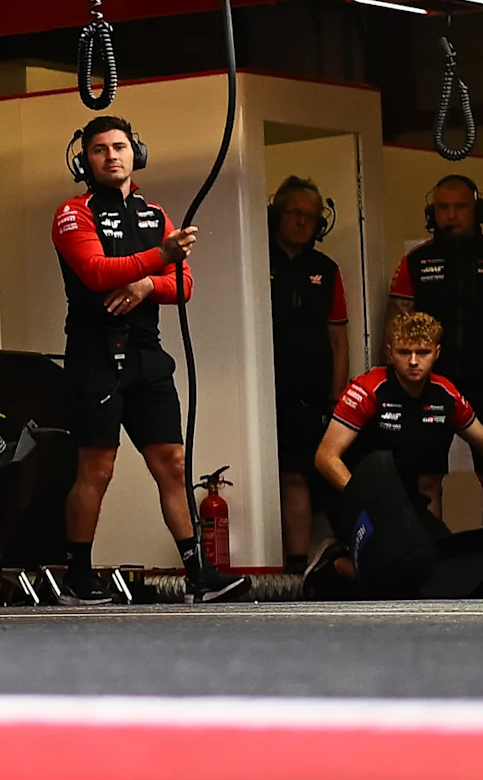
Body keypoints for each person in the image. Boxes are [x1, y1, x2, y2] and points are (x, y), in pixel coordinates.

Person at [50, 115, 246, 602]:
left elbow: (186, 285)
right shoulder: (72, 213)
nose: (111, 156)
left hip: (146, 353)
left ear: (136, 152)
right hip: (95, 355)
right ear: (84, 160)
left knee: (174, 464)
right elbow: (96, 273)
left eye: (119, 147)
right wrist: (160, 258)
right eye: (99, 149)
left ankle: (198, 575)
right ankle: (78, 573)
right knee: (98, 467)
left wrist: (144, 285)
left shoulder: (155, 214)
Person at [309, 310, 483, 597]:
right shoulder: (368, 388)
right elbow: (326, 457)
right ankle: (333, 564)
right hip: (352, 495)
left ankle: (354, 561)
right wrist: (371, 505)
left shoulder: (445, 393)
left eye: (423, 352)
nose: (414, 361)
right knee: (393, 569)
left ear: (437, 353)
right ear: (390, 352)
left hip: (404, 501)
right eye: (404, 352)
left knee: (442, 567)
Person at [389, 174, 483, 526]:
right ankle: (434, 564)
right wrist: (395, 387)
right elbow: (395, 330)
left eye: (461, 207)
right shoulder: (415, 262)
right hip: (427, 386)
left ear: (478, 211)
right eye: (443, 207)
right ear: (433, 212)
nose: (452, 215)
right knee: (425, 480)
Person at [267, 177, 351, 562]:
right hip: (265, 388)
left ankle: (306, 567)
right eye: (295, 214)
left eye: (311, 216)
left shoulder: (327, 269)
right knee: (280, 476)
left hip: (312, 393)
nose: (303, 222)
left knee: (304, 476)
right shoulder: (257, 257)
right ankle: (284, 567)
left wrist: (336, 400)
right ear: (277, 216)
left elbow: (338, 340)